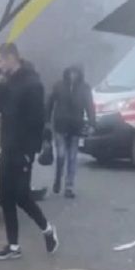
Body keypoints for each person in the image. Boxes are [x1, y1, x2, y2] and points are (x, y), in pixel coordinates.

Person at [0, 42, 58, 260]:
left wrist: (31, 151)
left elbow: (37, 121)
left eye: (0, 61)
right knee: (5, 197)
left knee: (21, 196)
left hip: (23, 150)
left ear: (12, 58)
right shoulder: (7, 82)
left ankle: (48, 229)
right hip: (7, 147)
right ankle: (13, 246)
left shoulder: (32, 84)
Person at [45, 64, 96, 198]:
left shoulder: (85, 88)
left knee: (72, 157)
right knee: (61, 155)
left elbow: (90, 106)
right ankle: (58, 177)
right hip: (60, 125)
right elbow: (49, 102)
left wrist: (92, 123)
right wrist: (47, 121)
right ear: (67, 73)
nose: (73, 75)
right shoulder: (59, 86)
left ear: (79, 74)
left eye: (75, 73)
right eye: (71, 73)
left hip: (75, 126)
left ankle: (69, 186)